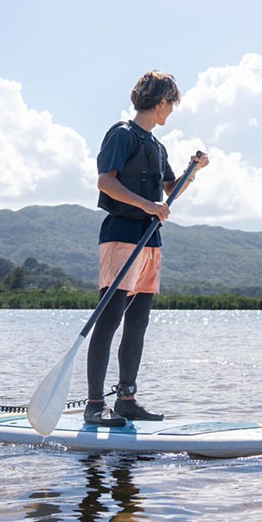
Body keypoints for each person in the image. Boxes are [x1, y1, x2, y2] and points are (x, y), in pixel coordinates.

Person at [84, 70, 209, 427]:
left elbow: (170, 190)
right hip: (122, 233)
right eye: (172, 104)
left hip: (150, 238)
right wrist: (146, 206)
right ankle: (95, 405)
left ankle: (126, 399)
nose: (172, 112)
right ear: (160, 102)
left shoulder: (157, 145)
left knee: (137, 322)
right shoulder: (122, 134)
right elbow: (105, 182)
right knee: (109, 320)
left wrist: (192, 171)